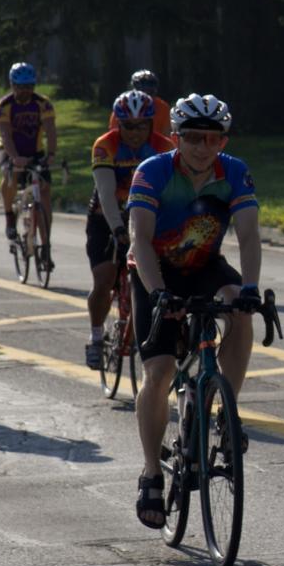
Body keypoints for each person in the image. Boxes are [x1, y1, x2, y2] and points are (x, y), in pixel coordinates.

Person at [126, 92, 262, 529]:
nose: (204, 147)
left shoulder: (235, 173)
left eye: (213, 138)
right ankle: (151, 473)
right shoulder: (153, 172)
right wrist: (159, 293)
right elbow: (140, 240)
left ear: (224, 140)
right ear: (176, 138)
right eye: (193, 138)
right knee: (161, 371)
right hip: (156, 271)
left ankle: (225, 412)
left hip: (204, 264)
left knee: (240, 308)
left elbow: (248, 237)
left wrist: (252, 287)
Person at [86, 89, 173, 367]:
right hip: (107, 216)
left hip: (145, 217)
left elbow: (171, 192)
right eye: (128, 126)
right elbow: (106, 193)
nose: (135, 132)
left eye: (142, 125)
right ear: (117, 124)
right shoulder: (105, 145)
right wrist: (118, 230)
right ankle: (97, 338)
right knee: (103, 279)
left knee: (151, 279)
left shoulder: (163, 146)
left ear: (151, 123)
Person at [0, 62, 56, 267]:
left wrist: (52, 154)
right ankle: (10, 216)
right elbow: (5, 134)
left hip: (35, 151)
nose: (25, 91)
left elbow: (50, 130)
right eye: (20, 87)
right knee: (10, 176)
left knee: (45, 193)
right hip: (10, 150)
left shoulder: (43, 104)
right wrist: (14, 157)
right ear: (12, 85)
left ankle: (46, 246)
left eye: (29, 86)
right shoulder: (3, 106)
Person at [106, 69, 173, 143]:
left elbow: (167, 135)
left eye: (150, 85)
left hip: (154, 146)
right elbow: (114, 133)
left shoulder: (163, 107)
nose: (147, 89)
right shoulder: (123, 105)